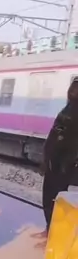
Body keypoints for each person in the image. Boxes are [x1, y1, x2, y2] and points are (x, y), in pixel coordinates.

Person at [36, 78, 78, 242]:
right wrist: (47, 157)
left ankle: (55, 236)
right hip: (53, 161)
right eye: (73, 87)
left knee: (59, 200)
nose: (73, 91)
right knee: (48, 196)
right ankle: (49, 229)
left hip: (65, 164)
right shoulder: (68, 108)